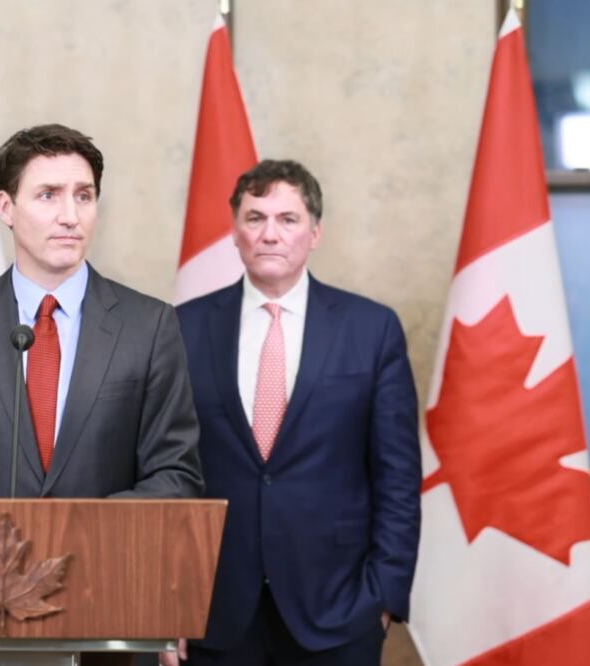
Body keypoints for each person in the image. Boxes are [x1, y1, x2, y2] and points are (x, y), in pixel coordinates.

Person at [170, 159, 421, 665]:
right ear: (235, 232)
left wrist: (384, 596)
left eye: (287, 219)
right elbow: (164, 471)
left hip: (340, 610)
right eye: (255, 218)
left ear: (315, 233)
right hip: (214, 612)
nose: (270, 234)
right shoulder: (181, 327)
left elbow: (397, 476)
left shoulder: (372, 329)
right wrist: (166, 602)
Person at [0, 122, 203, 499]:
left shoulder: (149, 326)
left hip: (106, 555)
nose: (70, 215)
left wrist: (80, 531)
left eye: (83, 196)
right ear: (7, 207)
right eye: (49, 195)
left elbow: (176, 474)